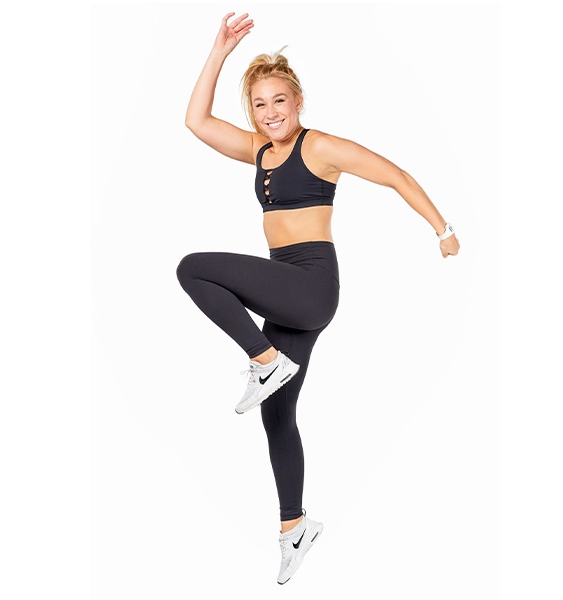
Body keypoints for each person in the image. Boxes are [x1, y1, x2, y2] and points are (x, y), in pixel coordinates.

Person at [176, 12, 460, 585]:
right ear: (252, 110)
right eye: (259, 104)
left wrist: (442, 227)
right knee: (278, 416)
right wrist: (220, 49)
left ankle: (264, 361)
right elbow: (196, 121)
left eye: (279, 100)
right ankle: (294, 527)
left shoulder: (321, 147)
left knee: (193, 269)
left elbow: (396, 175)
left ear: (298, 101)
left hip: (310, 287)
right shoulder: (258, 151)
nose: (271, 112)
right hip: (284, 293)